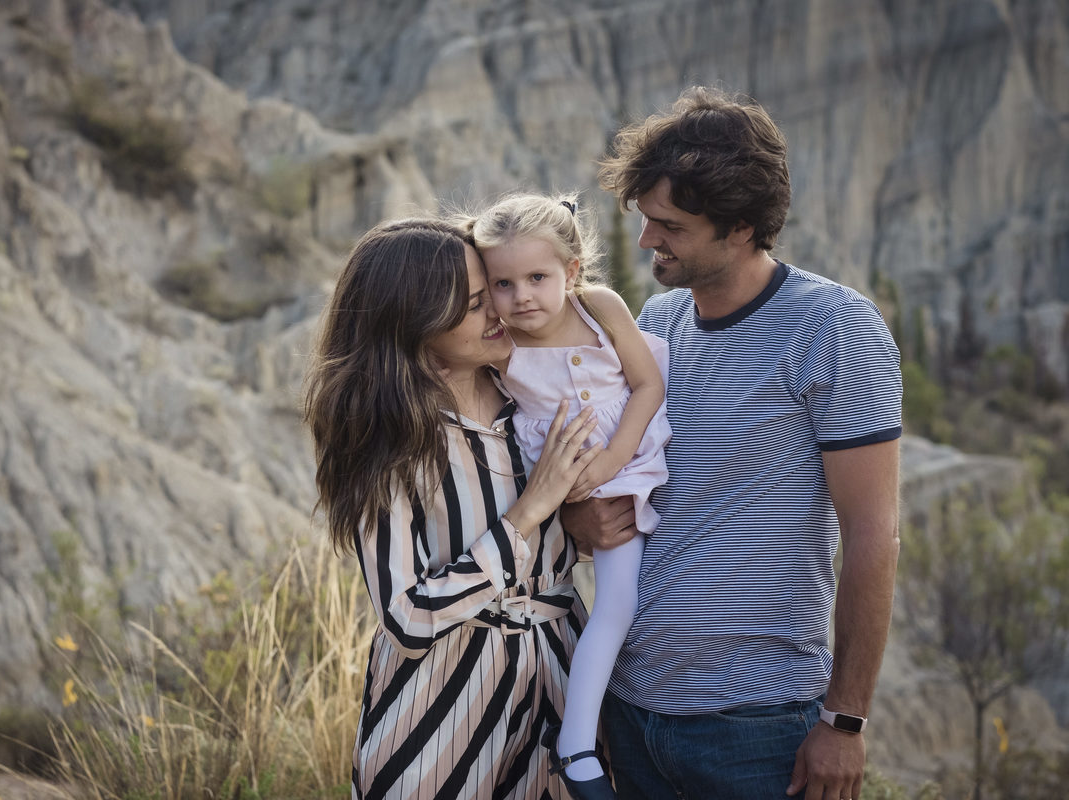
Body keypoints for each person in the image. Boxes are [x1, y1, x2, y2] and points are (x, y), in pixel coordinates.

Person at [563, 86, 903, 800]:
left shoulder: (834, 328)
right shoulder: (655, 321)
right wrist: (578, 522)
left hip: (755, 727)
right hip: (630, 714)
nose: (648, 240)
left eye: (671, 226)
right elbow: (626, 479)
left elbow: (874, 534)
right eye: (647, 219)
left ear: (742, 228)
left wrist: (844, 721)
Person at [303, 217, 606, 800]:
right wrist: (528, 514)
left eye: (489, 288)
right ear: (414, 325)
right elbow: (409, 619)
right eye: (473, 304)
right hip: (442, 722)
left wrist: (584, 525)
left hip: (563, 697)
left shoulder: (534, 394)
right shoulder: (387, 439)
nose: (499, 310)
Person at [466, 193, 672, 800]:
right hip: (550, 482)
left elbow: (647, 383)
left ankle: (579, 741)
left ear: (573, 271)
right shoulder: (498, 342)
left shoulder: (599, 306)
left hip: (625, 460)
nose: (521, 296)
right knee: (582, 600)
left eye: (537, 277)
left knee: (617, 602)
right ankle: (578, 740)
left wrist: (612, 460)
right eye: (503, 283)